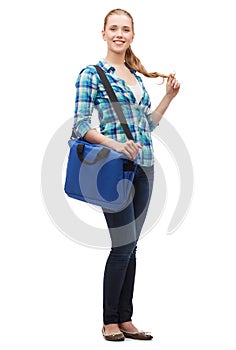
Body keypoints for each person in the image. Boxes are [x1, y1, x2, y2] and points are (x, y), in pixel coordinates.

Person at [72, 8, 180, 341]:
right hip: (113, 168)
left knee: (131, 247)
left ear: (133, 35)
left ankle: (126, 318)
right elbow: (79, 126)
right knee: (122, 245)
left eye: (126, 29)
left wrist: (168, 98)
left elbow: (145, 126)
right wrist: (115, 145)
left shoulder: (134, 76)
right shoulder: (91, 74)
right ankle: (109, 320)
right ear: (103, 33)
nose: (120, 34)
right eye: (114, 28)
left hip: (146, 165)